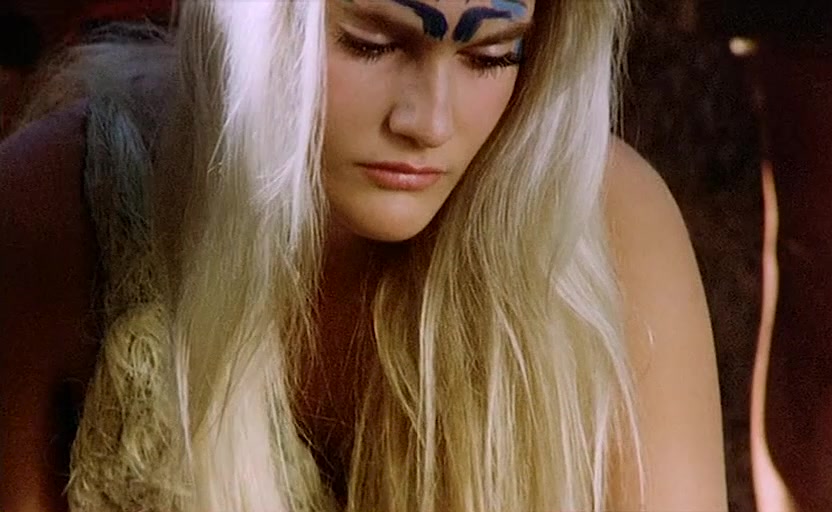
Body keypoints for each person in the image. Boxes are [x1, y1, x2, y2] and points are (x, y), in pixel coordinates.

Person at [0, 1, 727, 511]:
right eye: (372, 44)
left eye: (491, 54)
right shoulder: (59, 206)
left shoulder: (609, 227)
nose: (429, 122)